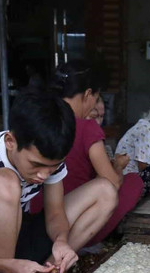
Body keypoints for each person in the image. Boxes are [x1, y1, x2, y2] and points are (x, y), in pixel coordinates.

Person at [0, 92, 115, 273]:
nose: (43, 175)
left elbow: (55, 214)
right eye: (36, 165)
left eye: (53, 167)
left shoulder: (52, 158)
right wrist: (10, 267)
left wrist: (61, 241)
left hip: (23, 234)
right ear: (11, 141)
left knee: (105, 191)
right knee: (5, 181)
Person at [30, 60, 137, 245]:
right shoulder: (86, 128)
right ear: (88, 94)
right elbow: (112, 183)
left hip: (31, 211)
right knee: (133, 182)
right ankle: (71, 250)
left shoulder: (40, 120)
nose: (93, 107)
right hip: (68, 217)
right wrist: (118, 167)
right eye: (95, 100)